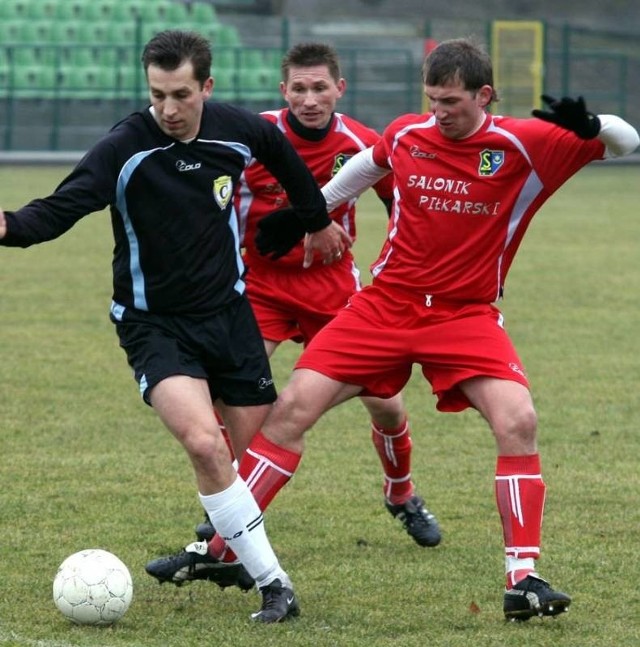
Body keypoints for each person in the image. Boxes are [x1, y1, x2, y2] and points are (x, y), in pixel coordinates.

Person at [182, 38, 639, 621]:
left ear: (484, 95)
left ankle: (523, 578)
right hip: (385, 305)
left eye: (450, 102)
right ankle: (225, 548)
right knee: (292, 408)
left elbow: (629, 142)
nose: (439, 112)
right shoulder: (406, 133)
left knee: (518, 420)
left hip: (464, 314)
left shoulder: (526, 144)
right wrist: (306, 216)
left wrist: (594, 123)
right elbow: (365, 169)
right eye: (431, 100)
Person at [0, 29, 352, 624]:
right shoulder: (126, 146)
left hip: (230, 317)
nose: (167, 108)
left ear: (205, 88)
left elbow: (290, 165)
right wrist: (9, 224)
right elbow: (63, 208)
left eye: (180, 94)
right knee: (203, 444)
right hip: (153, 324)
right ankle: (275, 585)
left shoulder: (239, 130)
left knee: (250, 455)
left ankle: (226, 553)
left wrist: (307, 221)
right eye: (157, 94)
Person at [144, 41, 442, 589]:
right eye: (298, 88)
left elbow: (405, 209)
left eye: (319, 88)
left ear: (339, 90)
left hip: (333, 287)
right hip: (259, 287)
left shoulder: (361, 143)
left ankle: (402, 495)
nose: (309, 99)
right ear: (284, 91)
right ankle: (229, 516)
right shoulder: (253, 135)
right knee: (227, 400)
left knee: (387, 404)